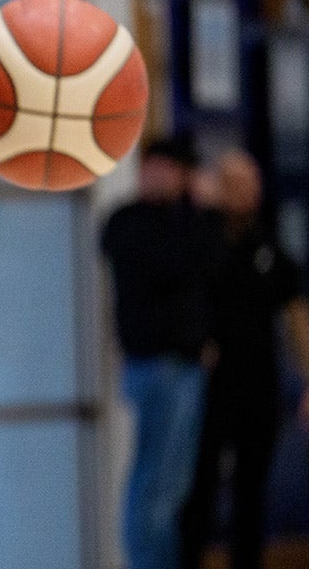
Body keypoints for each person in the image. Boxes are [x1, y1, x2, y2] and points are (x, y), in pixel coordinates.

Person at [180, 149, 309, 569]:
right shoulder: (199, 240)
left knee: (252, 487)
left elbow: (295, 313)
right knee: (199, 484)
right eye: (234, 184)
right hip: (206, 384)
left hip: (259, 382)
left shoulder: (267, 244)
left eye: (251, 184)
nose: (245, 192)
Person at [100, 136, 225, 569]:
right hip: (155, 365)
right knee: (155, 483)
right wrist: (203, 212)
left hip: (185, 366)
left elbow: (211, 267)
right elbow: (176, 264)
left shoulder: (185, 221)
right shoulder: (128, 222)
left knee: (174, 484)